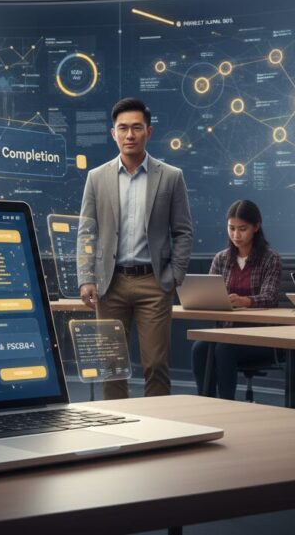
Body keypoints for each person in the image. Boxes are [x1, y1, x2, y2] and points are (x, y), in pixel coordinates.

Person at [77, 97, 193, 398]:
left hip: (153, 283)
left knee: (156, 364)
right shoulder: (96, 178)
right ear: (113, 133)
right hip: (109, 283)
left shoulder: (171, 177)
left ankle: (160, 433)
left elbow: (183, 231)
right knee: (111, 365)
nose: (130, 135)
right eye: (123, 128)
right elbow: (86, 232)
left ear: (149, 132)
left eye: (137, 128)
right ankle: (121, 432)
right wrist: (86, 277)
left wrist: (173, 277)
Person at [190, 200, 282, 399]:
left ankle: (226, 406)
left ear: (256, 227)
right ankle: (207, 404)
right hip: (227, 332)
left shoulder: (270, 258)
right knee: (200, 348)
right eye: (231, 228)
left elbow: (270, 297)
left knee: (223, 349)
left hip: (260, 337)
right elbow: (208, 295)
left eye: (242, 229)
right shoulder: (221, 259)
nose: (236, 235)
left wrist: (244, 301)